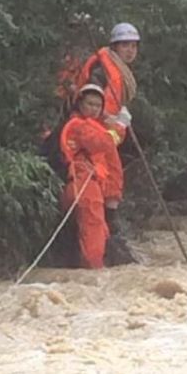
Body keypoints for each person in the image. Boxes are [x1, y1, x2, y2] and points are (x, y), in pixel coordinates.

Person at [60, 84, 125, 268]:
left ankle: (87, 273)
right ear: (80, 104)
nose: (94, 109)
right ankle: (93, 273)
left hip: (87, 184)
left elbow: (109, 142)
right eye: (90, 104)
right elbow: (102, 142)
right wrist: (120, 126)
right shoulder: (79, 125)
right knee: (93, 232)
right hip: (83, 185)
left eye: (98, 105)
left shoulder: (91, 125)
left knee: (98, 231)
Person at [76, 22, 140, 146]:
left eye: (134, 46)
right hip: (90, 128)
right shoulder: (101, 68)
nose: (130, 50)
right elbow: (89, 102)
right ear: (114, 46)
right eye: (125, 45)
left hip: (105, 130)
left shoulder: (122, 71)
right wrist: (115, 121)